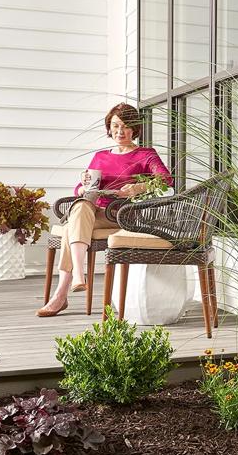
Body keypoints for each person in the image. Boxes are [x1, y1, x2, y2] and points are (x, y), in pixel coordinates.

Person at [36, 103, 173, 317]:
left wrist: (136, 188)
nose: (120, 131)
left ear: (135, 129)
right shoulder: (100, 156)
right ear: (109, 127)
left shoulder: (146, 154)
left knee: (73, 223)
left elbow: (166, 180)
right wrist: (82, 186)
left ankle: (61, 293)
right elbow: (83, 189)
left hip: (123, 215)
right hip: (97, 212)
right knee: (80, 206)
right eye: (116, 125)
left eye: (126, 127)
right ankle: (78, 277)